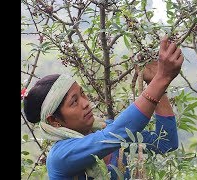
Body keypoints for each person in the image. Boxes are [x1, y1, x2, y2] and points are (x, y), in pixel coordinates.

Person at [23, 35, 184, 179]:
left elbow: (164, 143)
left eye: (82, 94)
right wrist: (162, 78)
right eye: (74, 102)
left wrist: (156, 82)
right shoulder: (60, 156)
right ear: (54, 120)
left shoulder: (101, 128)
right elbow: (116, 134)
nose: (85, 103)